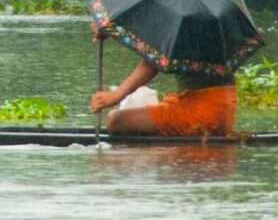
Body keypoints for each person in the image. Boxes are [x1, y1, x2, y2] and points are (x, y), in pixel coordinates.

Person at [88, 30, 238, 139]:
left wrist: (117, 95)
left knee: (115, 120)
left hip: (204, 112)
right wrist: (111, 30)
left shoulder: (185, 27)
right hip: (222, 107)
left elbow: (152, 63)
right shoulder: (200, 23)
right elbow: (150, 45)